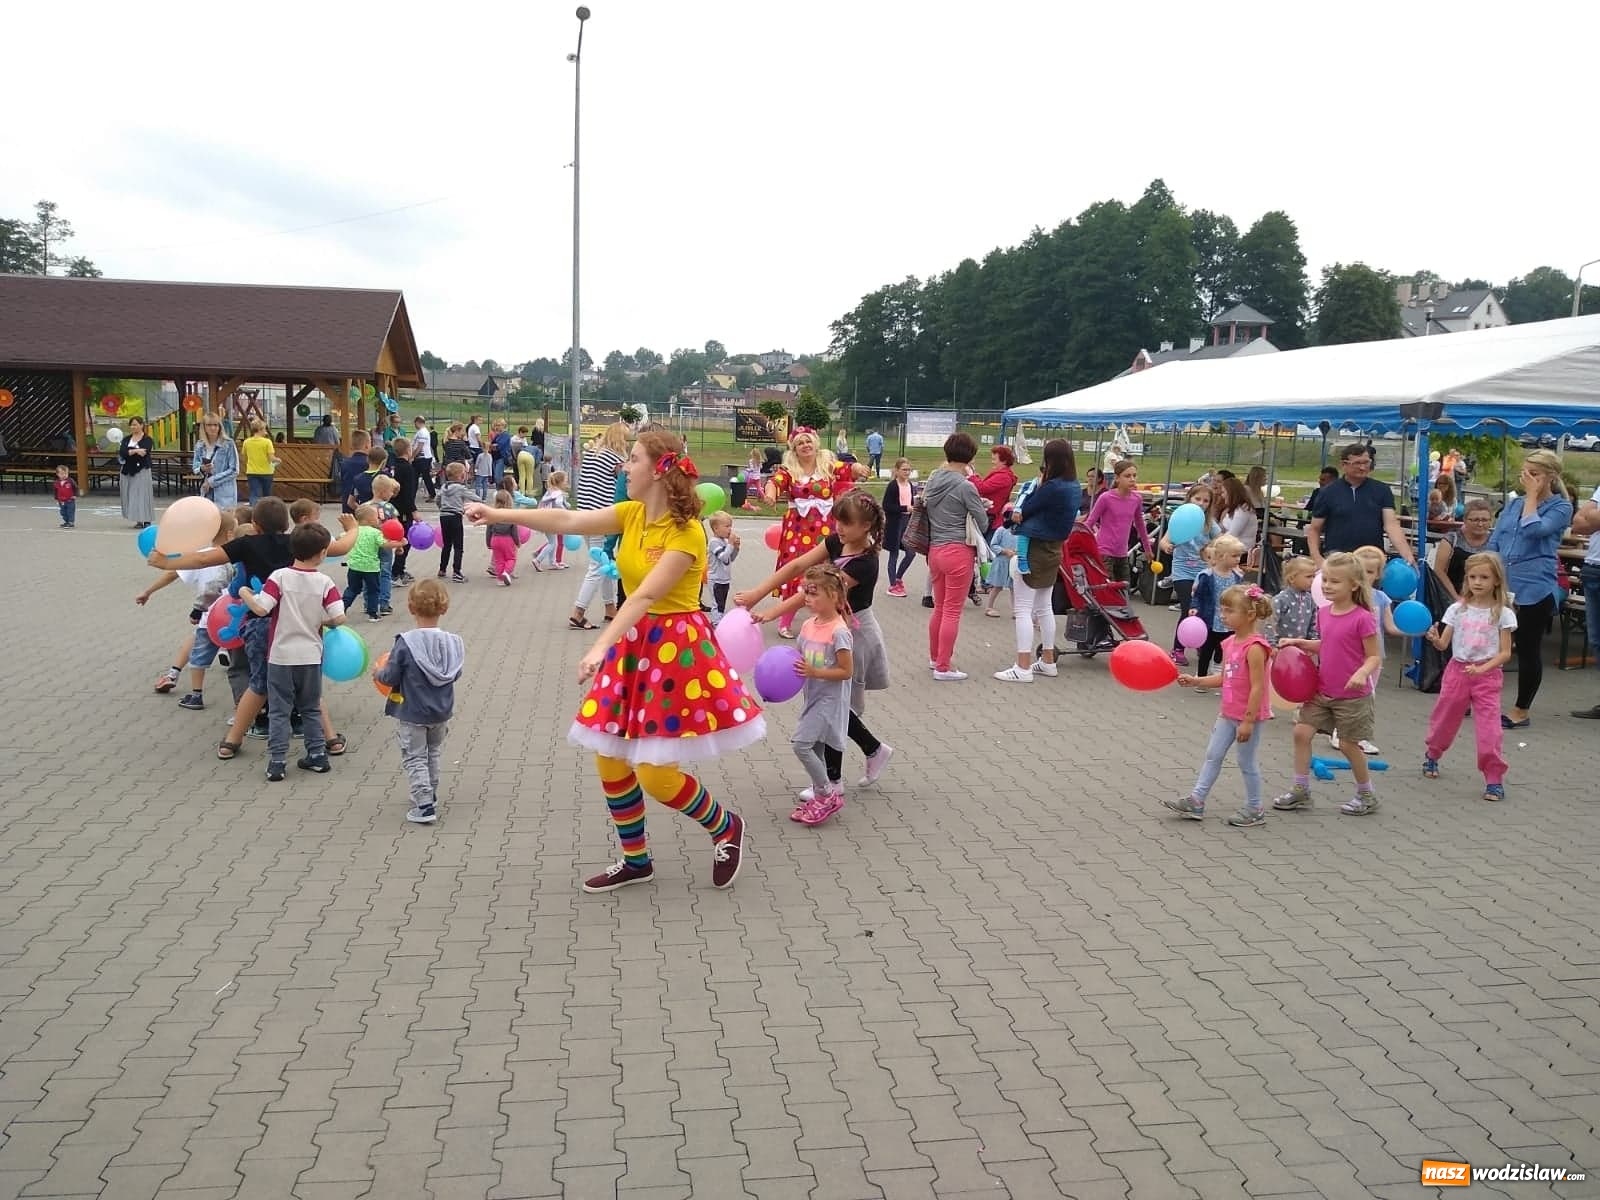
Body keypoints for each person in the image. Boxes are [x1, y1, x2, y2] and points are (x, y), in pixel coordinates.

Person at [465, 429, 762, 893]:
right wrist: (497, 512)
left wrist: (600, 644)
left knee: (657, 775)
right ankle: (635, 859)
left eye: (633, 459)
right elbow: (566, 520)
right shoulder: (631, 513)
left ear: (659, 470)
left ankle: (725, 827)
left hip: (674, 651)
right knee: (610, 758)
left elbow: (645, 596)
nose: (625, 467)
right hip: (634, 645)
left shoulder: (686, 533)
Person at [735, 491, 893, 791]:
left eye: (847, 523)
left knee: (836, 708)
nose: (839, 528)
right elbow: (796, 567)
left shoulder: (865, 563)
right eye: (838, 521)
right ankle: (872, 751)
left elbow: (815, 591)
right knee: (827, 703)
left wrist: (770, 613)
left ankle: (833, 781)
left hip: (852, 635)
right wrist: (757, 593)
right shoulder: (836, 542)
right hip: (826, 629)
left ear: (866, 527)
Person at [1272, 551, 1383, 816]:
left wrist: (1361, 673)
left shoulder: (1363, 617)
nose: (1327, 586)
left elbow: (1374, 656)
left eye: (1335, 581)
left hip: (1352, 696)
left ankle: (1366, 794)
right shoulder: (1323, 613)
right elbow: (1328, 644)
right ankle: (1300, 790)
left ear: (1353, 585)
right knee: (1301, 733)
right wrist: (1299, 642)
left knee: (1347, 745)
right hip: (1322, 689)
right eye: (1325, 580)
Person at [237, 522, 345, 781]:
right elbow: (340, 617)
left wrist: (244, 593)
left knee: (278, 710)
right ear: (323, 553)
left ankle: (277, 762)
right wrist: (323, 621)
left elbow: (262, 608)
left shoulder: (279, 577)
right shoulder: (325, 582)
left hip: (281, 656)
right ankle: (317, 755)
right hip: (311, 656)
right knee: (311, 707)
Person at [1164, 585, 1275, 827]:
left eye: (1229, 611)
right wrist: (1197, 680)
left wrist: (1248, 721)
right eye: (1222, 609)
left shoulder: (1255, 648)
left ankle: (1255, 808)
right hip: (1228, 713)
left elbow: (1258, 687)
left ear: (1250, 615)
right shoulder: (1229, 643)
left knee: (1246, 762)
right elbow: (1225, 678)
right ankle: (1197, 800)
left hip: (1248, 716)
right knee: (1213, 755)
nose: (1223, 615)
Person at [1487, 449, 1573, 728]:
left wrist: (1533, 497)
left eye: (1534, 474)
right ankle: (1476, 697)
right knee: (1487, 641)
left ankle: (1521, 709)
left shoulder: (1561, 508)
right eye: (1525, 473)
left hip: (1535, 585)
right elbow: (1497, 537)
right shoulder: (1514, 504)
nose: (1526, 479)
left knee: (1527, 646)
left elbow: (1534, 530)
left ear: (1550, 477)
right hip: (1504, 581)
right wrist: (1487, 568)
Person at [1423, 553, 1517, 801]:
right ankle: (1433, 753)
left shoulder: (1503, 613)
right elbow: (1444, 645)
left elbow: (1505, 653)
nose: (1477, 582)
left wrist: (1484, 669)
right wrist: (1435, 639)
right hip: (1458, 672)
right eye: (1473, 577)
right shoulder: (1457, 609)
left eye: (1484, 577)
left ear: (1496, 580)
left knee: (1490, 729)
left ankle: (1494, 778)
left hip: (1487, 675)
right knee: (1445, 718)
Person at [374, 579, 465, 825]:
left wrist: (378, 673)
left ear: (411, 608)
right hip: (441, 711)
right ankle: (429, 793)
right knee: (433, 752)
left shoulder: (406, 642)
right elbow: (456, 673)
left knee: (414, 756)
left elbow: (391, 676)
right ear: (444, 607)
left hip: (413, 711)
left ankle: (424, 805)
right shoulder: (453, 642)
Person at [764, 426, 868, 638]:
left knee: (828, 573)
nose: (805, 445)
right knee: (795, 571)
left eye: (808, 441)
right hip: (797, 531)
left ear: (815, 443)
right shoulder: (789, 470)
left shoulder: (827, 464)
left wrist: (859, 468)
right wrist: (770, 494)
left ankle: (835, 619)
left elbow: (848, 469)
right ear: (794, 449)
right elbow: (774, 482)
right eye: (800, 443)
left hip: (824, 530)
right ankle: (785, 622)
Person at [994, 438, 1080, 683]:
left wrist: (1035, 491)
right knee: (1044, 606)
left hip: (1034, 548)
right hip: (1054, 549)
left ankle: (1022, 667)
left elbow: (1026, 509)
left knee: (1023, 608)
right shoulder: (1074, 485)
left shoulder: (1051, 487)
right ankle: (1047, 661)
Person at [141, 512, 238, 700]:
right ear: (229, 534)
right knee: (240, 662)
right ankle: (242, 698)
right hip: (234, 617)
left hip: (208, 617)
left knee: (199, 656)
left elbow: (173, 573)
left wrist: (148, 591)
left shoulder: (200, 556)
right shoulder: (235, 554)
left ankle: (194, 692)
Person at [787, 563, 855, 826]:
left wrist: (815, 672)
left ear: (834, 596)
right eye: (806, 591)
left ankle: (827, 794)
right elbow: (796, 658)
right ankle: (818, 797)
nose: (807, 598)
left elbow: (846, 671)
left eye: (814, 593)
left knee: (801, 745)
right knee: (815, 748)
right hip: (812, 696)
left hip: (830, 700)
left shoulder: (839, 631)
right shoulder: (807, 625)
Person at [921, 432, 991, 681]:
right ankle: (944, 666)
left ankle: (935, 657)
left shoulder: (933, 478)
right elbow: (982, 523)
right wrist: (982, 506)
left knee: (940, 608)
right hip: (958, 551)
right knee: (952, 611)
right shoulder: (965, 486)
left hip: (935, 549)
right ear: (970, 457)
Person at [1307, 442, 1416, 570]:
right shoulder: (1328, 492)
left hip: (1371, 560)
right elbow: (1314, 529)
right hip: (1338, 561)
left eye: (1366, 462)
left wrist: (1407, 555)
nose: (1363, 467)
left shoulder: (1382, 490)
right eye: (1357, 463)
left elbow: (1391, 525)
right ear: (1344, 464)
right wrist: (1317, 558)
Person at [570, 421, 631, 629]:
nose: (628, 443)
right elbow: (624, 485)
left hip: (584, 513)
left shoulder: (592, 454)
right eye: (626, 439)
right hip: (601, 516)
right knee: (597, 567)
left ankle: (610, 608)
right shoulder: (616, 459)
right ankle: (578, 611)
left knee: (604, 561)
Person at [1162, 483, 1219, 665]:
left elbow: (1221, 541)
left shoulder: (1210, 524)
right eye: (1197, 498)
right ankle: (1177, 649)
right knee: (1189, 608)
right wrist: (1167, 546)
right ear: (1189, 499)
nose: (1201, 503)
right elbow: (1164, 540)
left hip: (1203, 572)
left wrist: (1213, 550)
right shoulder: (1181, 519)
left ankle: (1200, 641)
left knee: (1204, 609)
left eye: (1206, 501)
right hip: (1182, 572)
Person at [1085, 460, 1155, 584]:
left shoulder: (1136, 499)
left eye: (1134, 475)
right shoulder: (1106, 498)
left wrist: (1147, 549)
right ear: (1117, 478)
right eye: (1127, 476)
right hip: (1104, 552)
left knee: (1124, 590)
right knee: (1108, 590)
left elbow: (1140, 525)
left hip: (1122, 553)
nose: (1132, 479)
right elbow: (1090, 522)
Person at [1190, 536, 1247, 680]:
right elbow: (1198, 594)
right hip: (1211, 618)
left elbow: (1239, 595)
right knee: (1207, 648)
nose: (1238, 559)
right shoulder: (1207, 576)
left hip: (1229, 619)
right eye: (1234, 556)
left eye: (1239, 556)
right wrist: (1195, 607)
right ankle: (1201, 676)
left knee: (1224, 646)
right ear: (1222, 556)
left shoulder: (1236, 576)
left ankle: (1217, 668)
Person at [343, 504, 404, 620]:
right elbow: (385, 544)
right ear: (370, 520)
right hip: (371, 568)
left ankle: (342, 608)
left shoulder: (353, 531)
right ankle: (372, 614)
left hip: (354, 566)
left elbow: (341, 538)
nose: (378, 520)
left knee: (352, 589)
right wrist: (400, 543)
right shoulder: (376, 533)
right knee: (373, 590)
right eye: (377, 517)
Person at [1571, 481, 1600, 720]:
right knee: (1597, 640)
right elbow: (1579, 523)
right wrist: (1592, 518)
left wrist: (1594, 517)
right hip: (1592, 569)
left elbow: (1591, 518)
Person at [1431, 497, 1494, 603]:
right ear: (1464, 520)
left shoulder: (1496, 541)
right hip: (1452, 597)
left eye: (1484, 520)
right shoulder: (1452, 538)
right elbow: (1439, 570)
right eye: (1475, 520)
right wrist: (1456, 598)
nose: (1480, 524)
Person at [385, 437, 419, 586]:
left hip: (392, 508)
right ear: (408, 450)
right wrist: (413, 511)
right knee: (404, 540)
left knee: (396, 540)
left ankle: (398, 569)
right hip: (403, 510)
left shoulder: (392, 467)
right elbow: (408, 493)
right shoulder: (408, 469)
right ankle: (396, 571)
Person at [881, 458, 916, 596]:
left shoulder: (910, 485)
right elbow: (887, 506)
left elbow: (912, 502)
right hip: (895, 523)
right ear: (897, 471)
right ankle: (892, 585)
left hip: (907, 522)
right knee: (894, 553)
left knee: (911, 553)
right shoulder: (893, 486)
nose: (907, 472)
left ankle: (898, 577)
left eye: (909, 470)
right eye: (904, 470)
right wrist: (904, 508)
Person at [193, 413, 240, 509]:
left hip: (224, 495)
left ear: (220, 426)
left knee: (224, 518)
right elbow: (195, 467)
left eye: (215, 425)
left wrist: (212, 481)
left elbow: (234, 470)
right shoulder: (200, 445)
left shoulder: (228, 444)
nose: (213, 428)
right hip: (206, 493)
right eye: (209, 425)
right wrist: (202, 469)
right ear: (204, 427)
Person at [435, 462, 472, 582]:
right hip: (455, 517)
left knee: (446, 544)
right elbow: (472, 497)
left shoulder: (443, 487)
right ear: (461, 476)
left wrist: (441, 508)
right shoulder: (461, 488)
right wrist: (483, 503)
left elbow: (437, 499)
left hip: (444, 517)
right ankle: (457, 572)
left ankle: (442, 569)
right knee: (458, 546)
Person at [1269, 556, 1319, 646]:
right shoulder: (1280, 600)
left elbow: (1313, 624)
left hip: (1303, 647)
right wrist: (1272, 645)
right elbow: (1270, 624)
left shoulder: (1311, 599)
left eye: (1314, 576)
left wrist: (1312, 642)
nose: (1313, 580)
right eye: (1308, 576)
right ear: (1292, 579)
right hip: (1282, 646)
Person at [1212, 475, 1259, 568]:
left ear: (1231, 493)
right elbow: (1222, 527)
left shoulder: (1243, 511)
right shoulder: (1233, 509)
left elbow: (1232, 535)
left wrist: (1215, 541)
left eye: (1223, 492)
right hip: (1230, 547)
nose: (1222, 495)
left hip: (1242, 551)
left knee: (1210, 555)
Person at [118, 417, 155, 528]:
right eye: (132, 425)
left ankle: (147, 519)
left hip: (142, 469)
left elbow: (144, 452)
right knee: (131, 494)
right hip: (127, 469)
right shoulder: (126, 439)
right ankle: (138, 519)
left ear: (141, 425)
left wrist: (131, 452)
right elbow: (123, 452)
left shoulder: (147, 439)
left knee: (143, 494)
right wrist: (135, 451)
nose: (133, 427)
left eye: (135, 424)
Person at [530, 471, 570, 571]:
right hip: (551, 520)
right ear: (560, 482)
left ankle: (552, 563)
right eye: (565, 481)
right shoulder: (558, 493)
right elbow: (558, 503)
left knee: (552, 542)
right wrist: (565, 511)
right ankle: (538, 560)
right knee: (553, 543)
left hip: (543, 518)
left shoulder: (550, 491)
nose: (566, 483)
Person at [974, 446, 1018, 536]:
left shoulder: (1002, 477)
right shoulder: (1002, 474)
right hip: (992, 516)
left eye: (994, 459)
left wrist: (972, 476)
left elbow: (982, 488)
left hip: (993, 518)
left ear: (1004, 461)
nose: (992, 462)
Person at [984, 510, 1017, 619]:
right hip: (1001, 562)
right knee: (997, 586)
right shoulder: (1001, 530)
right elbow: (993, 545)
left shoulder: (1020, 532)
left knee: (1014, 587)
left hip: (1013, 563)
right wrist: (1004, 551)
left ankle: (1015, 611)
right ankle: (989, 607)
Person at [707, 513, 739, 619]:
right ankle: (716, 623)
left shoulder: (724, 541)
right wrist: (730, 544)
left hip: (725, 579)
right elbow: (723, 557)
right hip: (716, 580)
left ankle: (718, 620)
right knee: (717, 604)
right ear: (716, 528)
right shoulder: (714, 542)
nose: (730, 529)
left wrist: (736, 548)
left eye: (730, 526)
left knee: (721, 604)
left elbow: (731, 558)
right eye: (727, 526)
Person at [487, 489, 519, 585]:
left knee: (499, 560)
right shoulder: (511, 515)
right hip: (507, 539)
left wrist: (488, 542)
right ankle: (506, 572)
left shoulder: (492, 513)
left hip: (495, 539)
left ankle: (500, 580)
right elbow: (514, 531)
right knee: (511, 558)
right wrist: (517, 542)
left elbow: (488, 530)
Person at [241, 417, 278, 502]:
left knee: (254, 494)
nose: (265, 431)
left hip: (252, 472)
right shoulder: (267, 442)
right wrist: (278, 460)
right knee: (267, 495)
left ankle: (254, 509)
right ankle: (266, 509)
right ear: (260, 429)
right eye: (264, 429)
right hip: (266, 472)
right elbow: (271, 458)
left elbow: (244, 457)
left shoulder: (246, 442)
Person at [411, 416, 436, 500]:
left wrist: (412, 456)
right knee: (422, 476)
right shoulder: (421, 432)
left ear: (418, 422)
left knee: (420, 476)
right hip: (422, 458)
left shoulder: (422, 432)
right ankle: (431, 493)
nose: (414, 425)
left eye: (415, 423)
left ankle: (431, 494)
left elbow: (420, 446)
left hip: (422, 458)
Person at [53, 463, 79, 529]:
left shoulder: (70, 481)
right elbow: (56, 491)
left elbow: (75, 488)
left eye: (66, 473)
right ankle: (67, 522)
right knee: (63, 512)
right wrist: (56, 498)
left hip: (70, 500)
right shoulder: (56, 482)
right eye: (62, 474)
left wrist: (75, 495)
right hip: (61, 500)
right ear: (57, 474)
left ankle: (71, 522)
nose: (64, 475)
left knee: (70, 511)